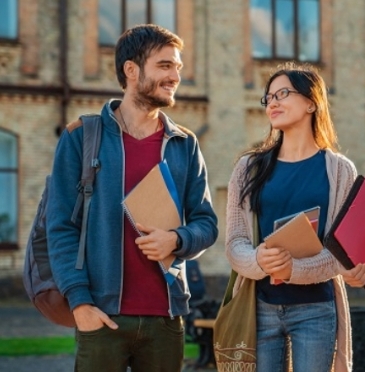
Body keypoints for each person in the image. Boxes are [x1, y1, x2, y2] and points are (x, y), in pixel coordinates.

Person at [46, 24, 219, 372]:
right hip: (102, 316)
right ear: (131, 70)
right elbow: (61, 227)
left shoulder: (185, 144)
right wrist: (80, 303)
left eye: (178, 68)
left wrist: (177, 239)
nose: (175, 76)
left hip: (166, 320)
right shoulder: (82, 137)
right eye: (165, 66)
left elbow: (207, 224)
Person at [225, 62, 365, 372]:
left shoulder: (339, 170)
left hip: (316, 310)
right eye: (269, 97)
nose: (273, 102)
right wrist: (258, 260)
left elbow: (339, 255)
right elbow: (235, 244)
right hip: (259, 307)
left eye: (283, 93)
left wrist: (294, 269)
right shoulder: (248, 168)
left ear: (311, 103)